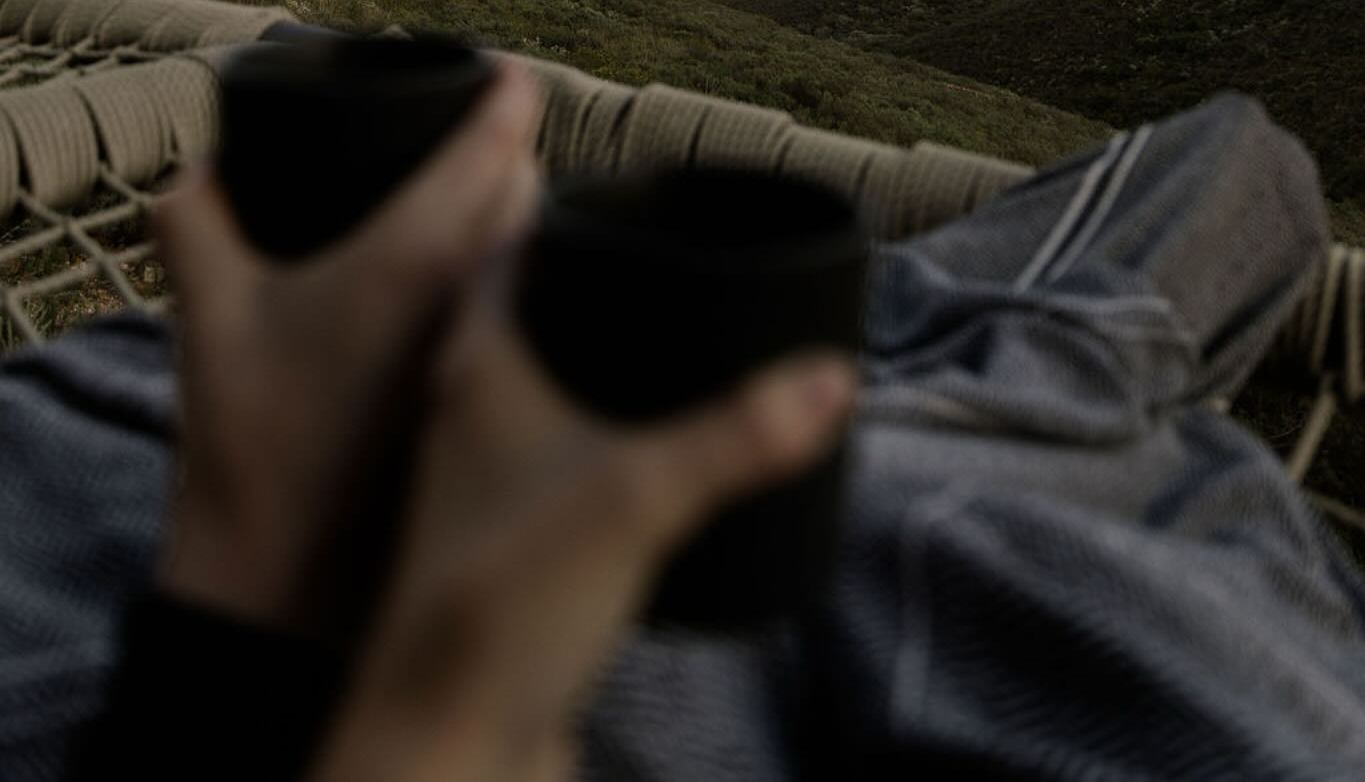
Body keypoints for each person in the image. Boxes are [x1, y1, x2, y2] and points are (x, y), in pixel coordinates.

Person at [1, 67, 1363, 777]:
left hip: (154, 495)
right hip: (890, 534)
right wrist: (464, 706)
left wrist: (254, 582)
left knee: (1187, 215)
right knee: (1227, 177)